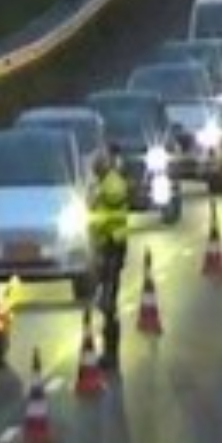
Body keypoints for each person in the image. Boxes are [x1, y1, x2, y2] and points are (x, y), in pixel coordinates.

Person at [88, 150, 131, 368]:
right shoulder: (104, 183)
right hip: (106, 246)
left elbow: (110, 206)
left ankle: (111, 354)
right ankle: (109, 351)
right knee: (105, 302)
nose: (95, 172)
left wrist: (96, 199)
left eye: (97, 167)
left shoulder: (112, 184)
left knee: (109, 304)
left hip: (113, 246)